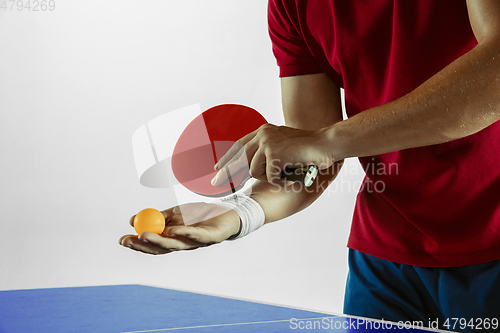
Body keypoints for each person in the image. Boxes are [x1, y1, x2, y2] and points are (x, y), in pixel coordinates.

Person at [120, 0, 500, 331]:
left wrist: (323, 142)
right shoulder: (291, 5)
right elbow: (307, 158)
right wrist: (238, 213)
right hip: (385, 260)